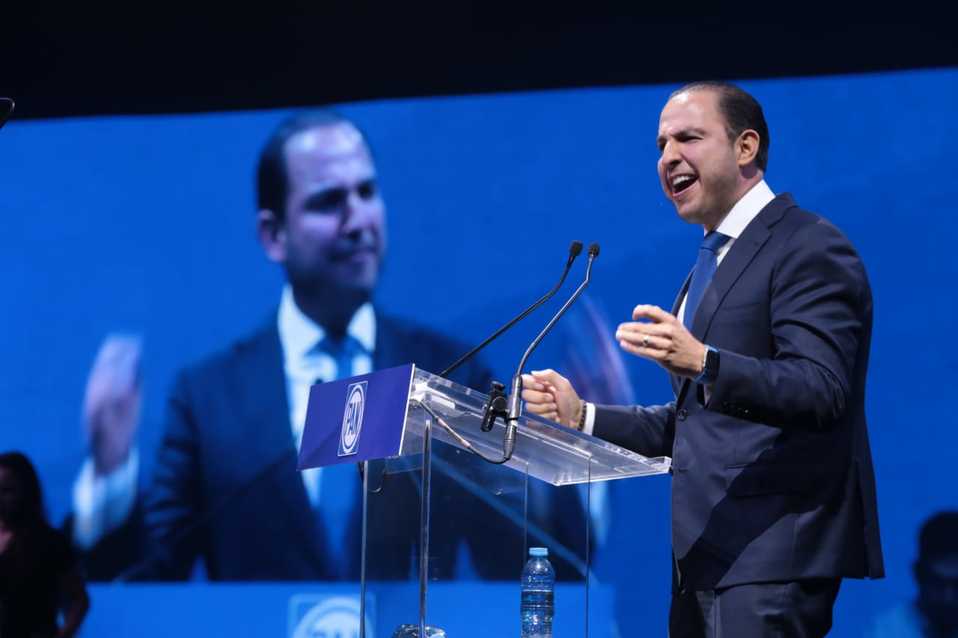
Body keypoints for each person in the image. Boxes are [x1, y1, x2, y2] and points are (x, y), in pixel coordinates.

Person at [67, 112, 501, 581]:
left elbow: (514, 556)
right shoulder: (208, 397)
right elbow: (148, 580)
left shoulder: (449, 372)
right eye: (329, 201)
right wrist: (110, 471)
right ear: (274, 235)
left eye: (367, 193)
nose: (359, 221)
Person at [521, 81, 884, 636]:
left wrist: (706, 362)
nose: (669, 157)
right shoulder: (712, 261)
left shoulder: (808, 246)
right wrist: (582, 417)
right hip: (705, 558)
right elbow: (698, 425)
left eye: (688, 137)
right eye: (661, 144)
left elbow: (821, 389)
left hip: (772, 557)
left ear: (745, 147)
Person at [0, 451, 90, 638]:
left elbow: (79, 601)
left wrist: (64, 634)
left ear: (26, 492)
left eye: (7, 490)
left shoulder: (49, 543)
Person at [866, 511, 958, 638]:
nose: (948, 597)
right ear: (918, 574)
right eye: (938, 583)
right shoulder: (885, 633)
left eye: (957, 584)